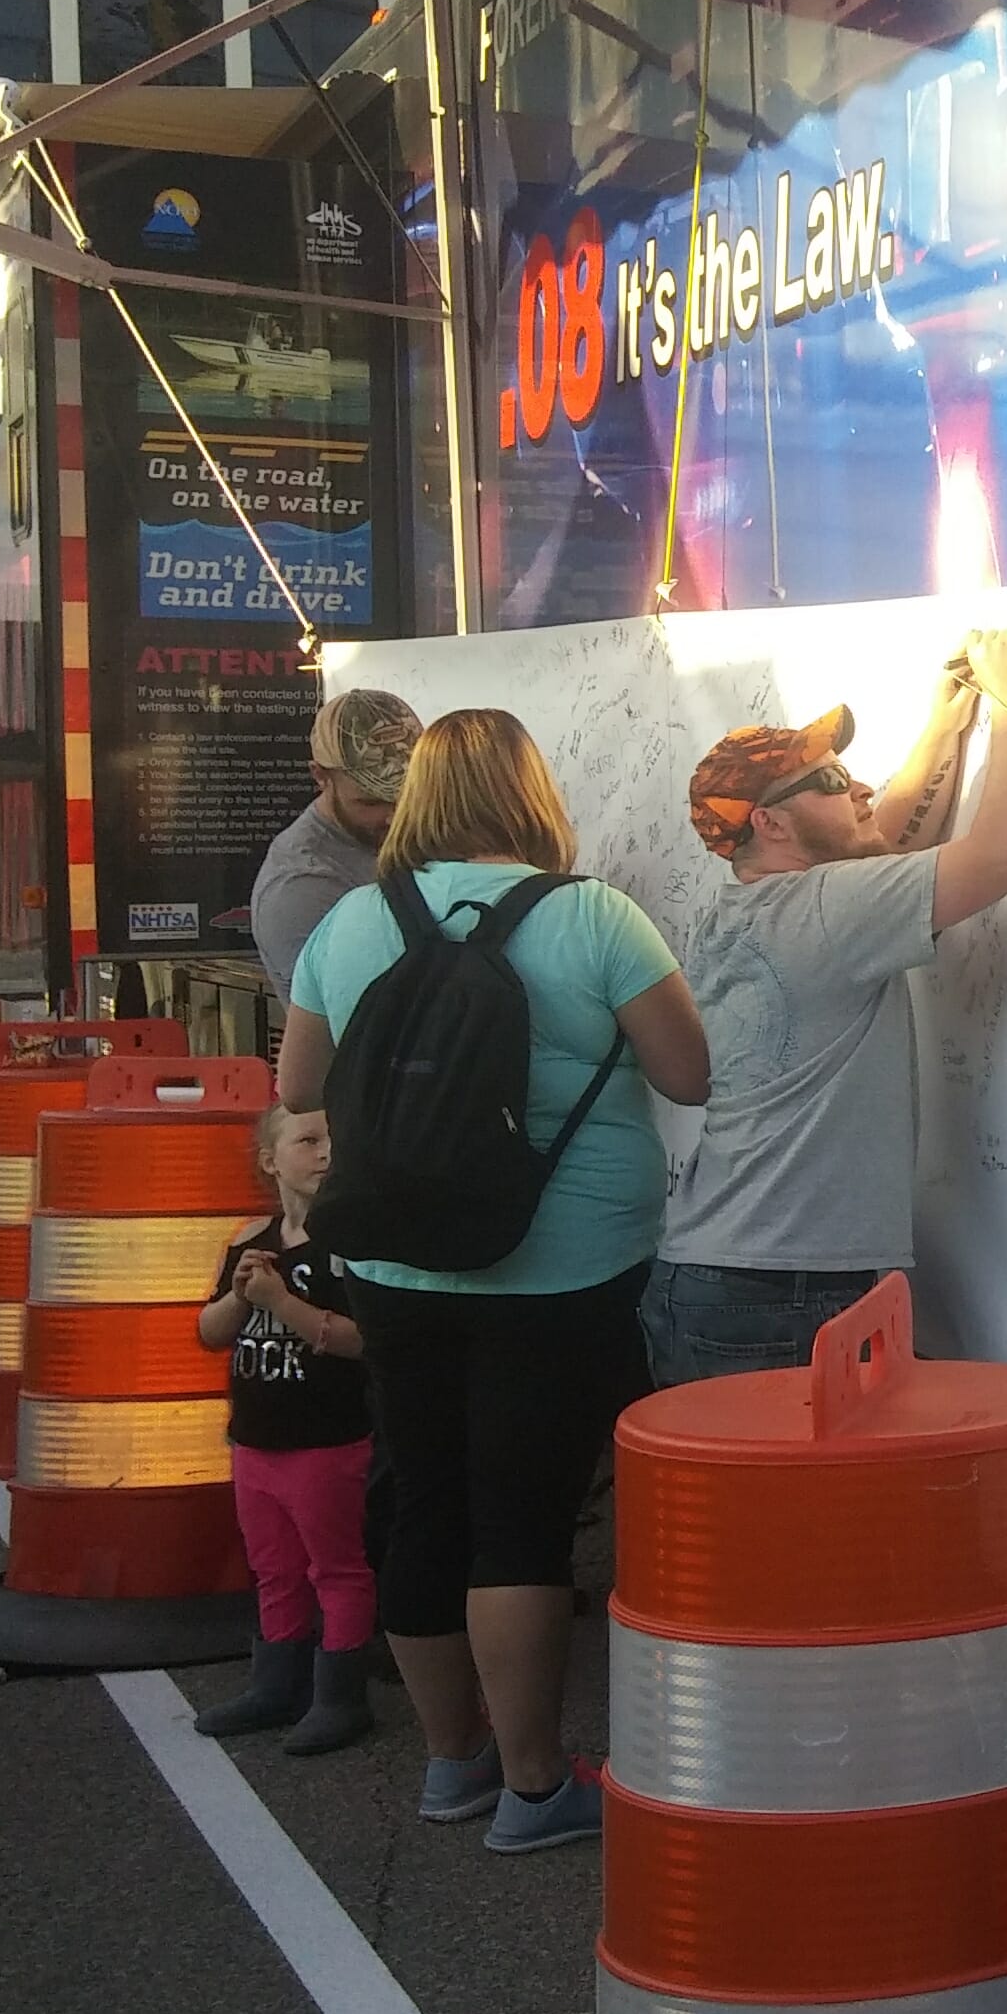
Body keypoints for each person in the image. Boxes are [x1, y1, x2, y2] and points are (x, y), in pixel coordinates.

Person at [279, 710, 709, 1857]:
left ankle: (452, 1763)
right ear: (532, 793)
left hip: (394, 1259)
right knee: (521, 1515)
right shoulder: (594, 916)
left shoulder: (354, 921)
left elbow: (299, 1085)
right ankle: (534, 1786)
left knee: (426, 1500)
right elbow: (687, 1073)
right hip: (566, 1262)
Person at [645, 630, 1007, 1384]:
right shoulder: (828, 910)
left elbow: (883, 839)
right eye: (832, 782)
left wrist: (941, 730)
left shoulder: (754, 908)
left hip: (727, 1276)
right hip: (783, 1292)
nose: (860, 788)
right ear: (770, 824)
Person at [187, 1106, 376, 1755]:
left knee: (337, 1568)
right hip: (257, 1442)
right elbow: (210, 1333)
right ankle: (276, 1684)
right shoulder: (252, 1241)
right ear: (270, 1160)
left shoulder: (350, 1247)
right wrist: (241, 1295)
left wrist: (279, 1303)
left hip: (328, 1442)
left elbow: (361, 1340)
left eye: (335, 1140)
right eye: (308, 1140)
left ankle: (340, 1695)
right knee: (273, 1567)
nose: (325, 1152)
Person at [251, 690, 421, 1000]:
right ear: (320, 776)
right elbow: (349, 1013)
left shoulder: (414, 832)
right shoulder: (302, 886)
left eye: (408, 795)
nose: (395, 815)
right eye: (371, 802)